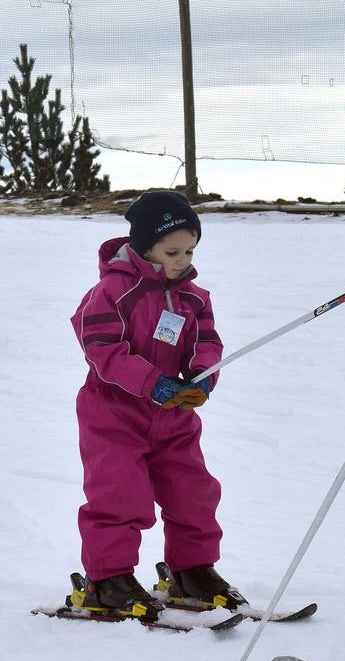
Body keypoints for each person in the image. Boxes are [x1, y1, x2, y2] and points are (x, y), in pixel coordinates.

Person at [71, 190, 248, 619]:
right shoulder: (112, 291)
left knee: (194, 493)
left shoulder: (194, 297)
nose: (183, 259)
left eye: (190, 250)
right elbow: (101, 346)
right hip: (114, 413)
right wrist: (151, 382)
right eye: (172, 251)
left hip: (174, 418)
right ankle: (108, 580)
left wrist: (202, 378)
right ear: (144, 246)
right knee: (119, 495)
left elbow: (207, 341)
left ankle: (192, 571)